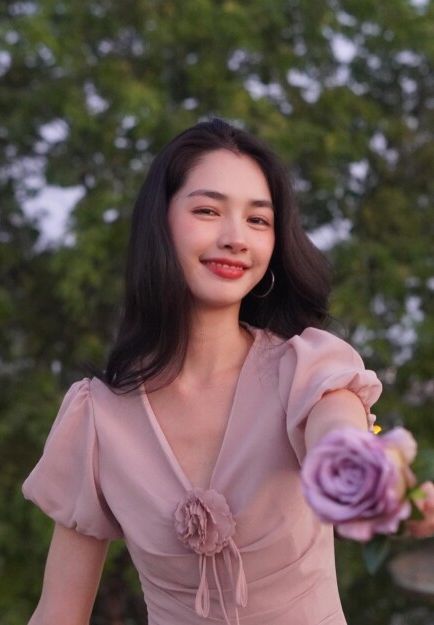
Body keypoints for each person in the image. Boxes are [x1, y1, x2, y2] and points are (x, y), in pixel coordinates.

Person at [23, 118, 383, 625]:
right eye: (208, 211)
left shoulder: (309, 369)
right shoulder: (96, 416)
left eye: (258, 221)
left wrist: (381, 483)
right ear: (160, 224)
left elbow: (340, 439)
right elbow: (59, 612)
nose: (236, 238)